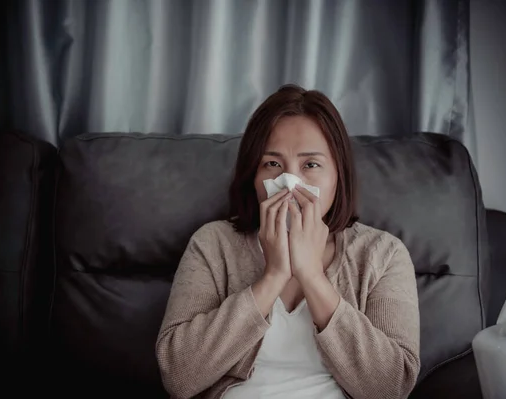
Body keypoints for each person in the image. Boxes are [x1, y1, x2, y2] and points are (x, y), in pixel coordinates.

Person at [155, 84, 420, 399]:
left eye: (310, 165)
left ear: (339, 175)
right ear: (253, 176)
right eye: (272, 164)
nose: (290, 183)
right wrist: (273, 276)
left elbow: (391, 388)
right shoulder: (213, 243)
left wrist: (311, 276)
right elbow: (178, 376)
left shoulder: (383, 254)